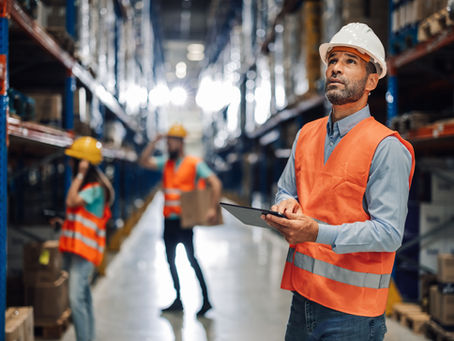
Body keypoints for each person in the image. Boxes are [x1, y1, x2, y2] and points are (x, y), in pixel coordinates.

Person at [262, 23, 416, 340]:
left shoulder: (386, 147)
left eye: (350, 61)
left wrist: (316, 231)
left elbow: (388, 233)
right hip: (302, 301)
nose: (336, 68)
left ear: (372, 80)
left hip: (353, 316)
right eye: (333, 60)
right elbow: (286, 188)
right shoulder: (306, 134)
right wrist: (285, 204)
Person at [139, 123, 222, 317]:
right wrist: (154, 142)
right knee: (170, 260)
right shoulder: (166, 162)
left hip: (185, 221)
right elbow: (143, 161)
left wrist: (212, 208)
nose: (168, 145)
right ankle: (178, 299)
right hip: (168, 220)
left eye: (171, 142)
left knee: (192, 260)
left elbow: (215, 183)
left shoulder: (194, 163)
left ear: (180, 143)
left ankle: (206, 300)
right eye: (167, 142)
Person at [59, 136, 115, 341]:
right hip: (80, 251)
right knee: (84, 297)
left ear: (85, 163)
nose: (71, 163)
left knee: (75, 299)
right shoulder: (92, 187)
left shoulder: (94, 188)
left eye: (75, 160)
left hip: (86, 253)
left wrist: (80, 175)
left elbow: (71, 200)